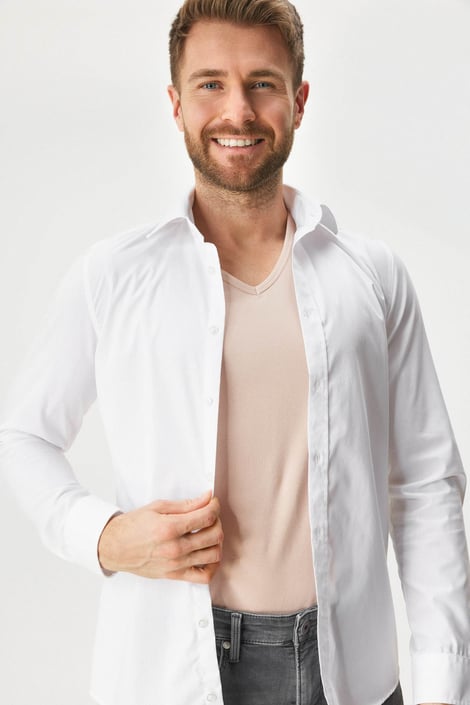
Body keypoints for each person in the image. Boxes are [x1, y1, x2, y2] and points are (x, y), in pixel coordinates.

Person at [0, 0, 469, 704]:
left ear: (299, 101)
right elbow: (24, 435)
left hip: (351, 673)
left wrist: (442, 685)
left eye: (262, 83)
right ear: (176, 104)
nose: (238, 111)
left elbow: (427, 487)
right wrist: (102, 536)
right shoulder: (114, 276)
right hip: (171, 671)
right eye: (211, 84)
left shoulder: (371, 277)